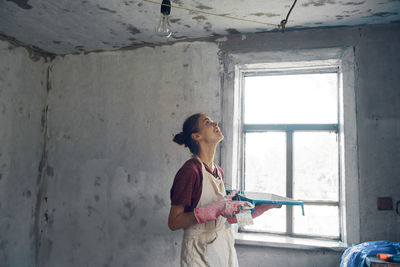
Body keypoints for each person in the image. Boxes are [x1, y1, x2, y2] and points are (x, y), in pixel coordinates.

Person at [168, 113, 277, 267]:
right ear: (197, 136)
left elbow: (223, 217)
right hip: (197, 251)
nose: (215, 124)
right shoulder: (190, 171)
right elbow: (173, 222)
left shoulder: (218, 171)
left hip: (221, 246)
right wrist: (213, 210)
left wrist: (258, 210)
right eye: (208, 122)